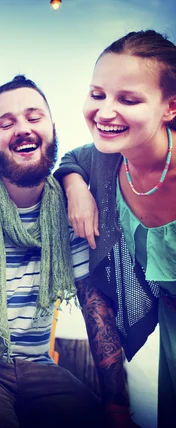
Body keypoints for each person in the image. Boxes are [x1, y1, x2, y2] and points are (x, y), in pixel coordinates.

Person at [0, 75, 104, 428]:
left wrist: (117, 403)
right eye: (6, 123)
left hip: (37, 363)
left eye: (33, 117)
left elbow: (94, 305)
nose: (22, 128)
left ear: (53, 127)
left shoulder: (72, 208)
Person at [55, 30, 176, 428]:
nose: (105, 112)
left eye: (128, 99)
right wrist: (75, 186)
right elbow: (71, 159)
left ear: (170, 107)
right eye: (97, 94)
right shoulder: (105, 163)